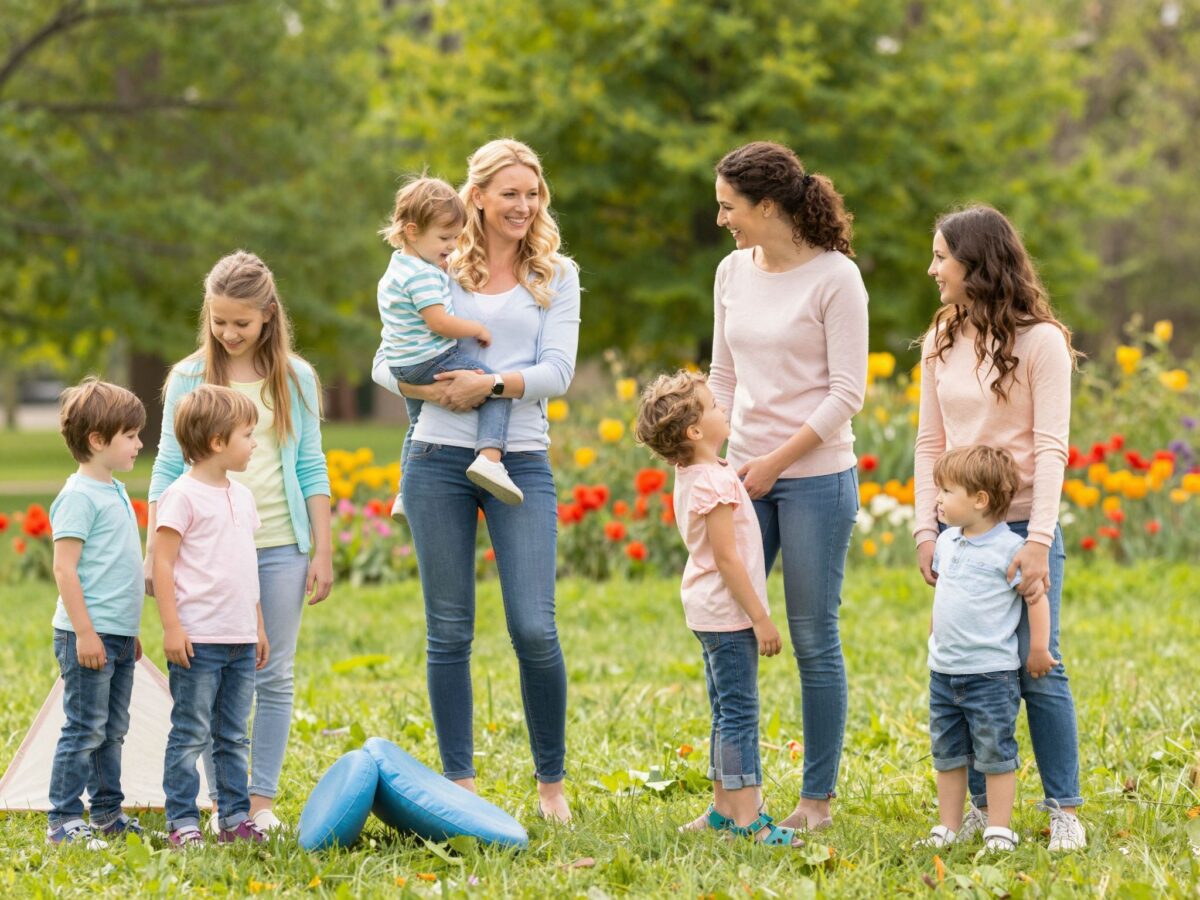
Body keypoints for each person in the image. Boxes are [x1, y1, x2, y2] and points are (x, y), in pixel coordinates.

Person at [371, 138, 580, 822]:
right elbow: (385, 363)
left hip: (518, 458)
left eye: (533, 193)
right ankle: (459, 785)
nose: (523, 206)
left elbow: (558, 372)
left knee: (534, 627)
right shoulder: (433, 265)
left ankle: (551, 784)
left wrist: (489, 382)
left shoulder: (557, 274)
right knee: (449, 631)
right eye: (510, 193)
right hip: (436, 460)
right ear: (479, 196)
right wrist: (441, 393)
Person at [914, 204, 1086, 851]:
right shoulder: (941, 339)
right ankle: (986, 808)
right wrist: (925, 530)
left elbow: (1051, 448)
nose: (933, 269)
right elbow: (929, 442)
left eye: (941, 257)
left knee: (1036, 665)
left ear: (975, 263)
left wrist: (1039, 541)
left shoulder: (1042, 343)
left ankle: (1064, 808)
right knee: (972, 668)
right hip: (959, 534)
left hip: (1022, 529)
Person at [707, 141, 868, 831]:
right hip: (741, 473)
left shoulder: (837, 279)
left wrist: (776, 461)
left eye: (729, 207)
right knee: (727, 629)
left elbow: (846, 394)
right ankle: (732, 798)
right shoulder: (731, 272)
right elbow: (722, 376)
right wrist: (710, 462)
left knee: (811, 635)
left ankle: (816, 801)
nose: (722, 221)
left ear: (766, 205)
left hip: (814, 479)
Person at [145, 250, 331, 833]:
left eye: (241, 323)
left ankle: (258, 803)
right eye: (218, 320)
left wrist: (321, 548)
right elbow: (166, 468)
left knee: (270, 671)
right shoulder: (188, 378)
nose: (228, 333)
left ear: (269, 316)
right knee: (206, 674)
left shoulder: (294, 378)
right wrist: (154, 550)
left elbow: (311, 467)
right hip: (201, 551)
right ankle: (218, 802)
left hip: (278, 544)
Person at [635, 370, 801, 848]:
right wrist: (761, 617)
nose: (721, 409)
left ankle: (725, 811)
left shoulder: (699, 472)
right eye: (712, 406)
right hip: (729, 616)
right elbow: (727, 558)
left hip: (708, 612)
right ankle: (748, 819)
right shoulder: (713, 482)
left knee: (724, 712)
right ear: (693, 431)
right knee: (740, 713)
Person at [917, 446, 1057, 852]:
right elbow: (945, 594)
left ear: (980, 500)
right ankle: (948, 825)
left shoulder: (1009, 549)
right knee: (947, 753)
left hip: (991, 675)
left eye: (946, 491)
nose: (937, 499)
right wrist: (934, 635)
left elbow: (1036, 598)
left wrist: (1038, 649)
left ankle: (999, 827)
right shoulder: (947, 543)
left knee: (995, 751)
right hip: (944, 672)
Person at [153, 385, 270, 848]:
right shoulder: (179, 496)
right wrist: (171, 627)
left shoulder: (242, 496)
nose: (254, 443)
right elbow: (162, 564)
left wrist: (257, 625)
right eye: (248, 434)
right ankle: (182, 822)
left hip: (240, 639)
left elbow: (247, 565)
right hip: (197, 639)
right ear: (218, 442)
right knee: (190, 732)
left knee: (232, 735)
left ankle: (234, 817)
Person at [378, 175, 522, 517]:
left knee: (416, 424)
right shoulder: (423, 275)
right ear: (412, 231)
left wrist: (438, 263)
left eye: (456, 238)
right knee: (496, 386)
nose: (452, 247)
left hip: (402, 363)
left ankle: (404, 488)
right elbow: (439, 322)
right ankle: (490, 458)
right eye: (444, 238)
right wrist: (475, 328)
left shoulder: (400, 266)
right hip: (431, 358)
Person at [45, 379, 147, 849]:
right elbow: (65, 570)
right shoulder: (79, 496)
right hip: (86, 636)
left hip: (118, 635)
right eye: (130, 435)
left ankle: (107, 812)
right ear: (97, 441)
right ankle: (64, 820)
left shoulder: (116, 490)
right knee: (84, 727)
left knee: (113, 730)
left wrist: (129, 632)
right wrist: (86, 634)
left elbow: (116, 568)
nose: (139, 443)